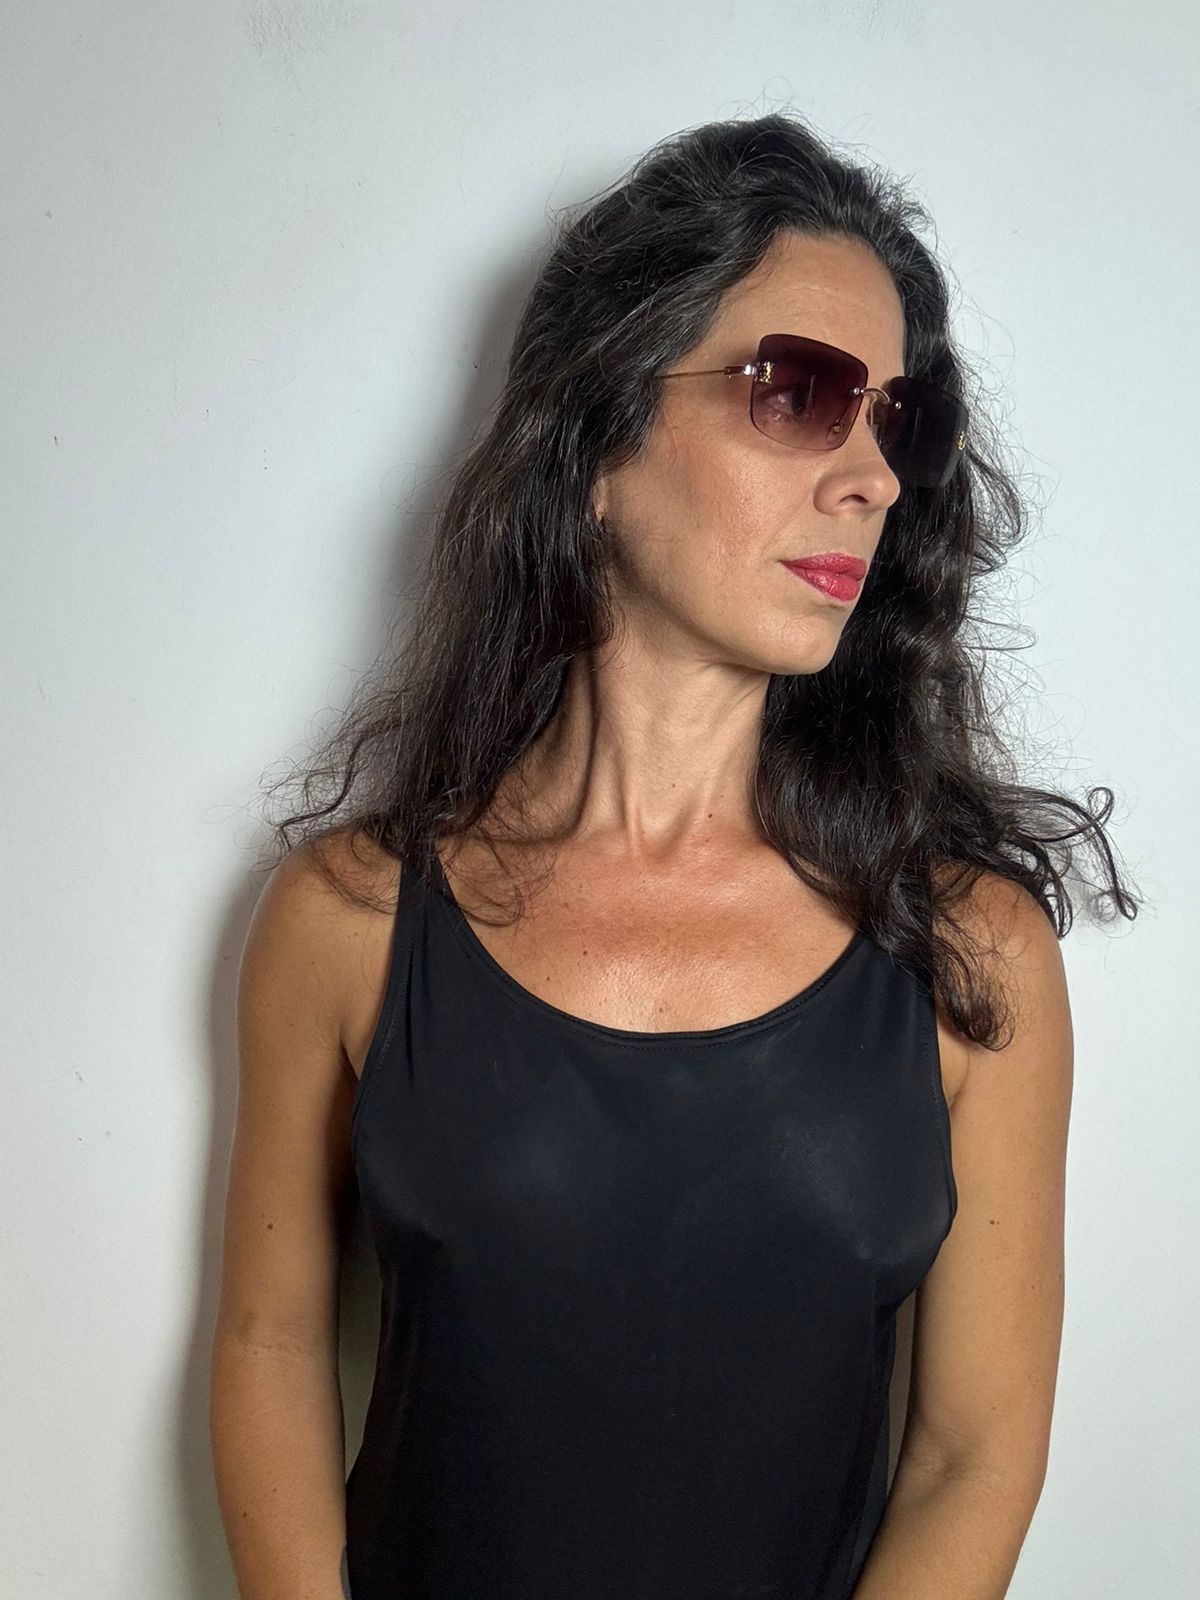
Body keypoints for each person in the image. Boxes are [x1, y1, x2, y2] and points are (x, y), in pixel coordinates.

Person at [210, 112, 1139, 1600]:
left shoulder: (971, 956)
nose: (872, 477)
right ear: (597, 438)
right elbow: (267, 1343)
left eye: (898, 420)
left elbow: (971, 1457)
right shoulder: (349, 920)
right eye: (799, 393)